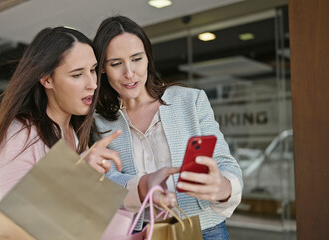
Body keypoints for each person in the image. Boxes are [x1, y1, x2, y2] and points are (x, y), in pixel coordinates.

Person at [0, 26, 177, 235]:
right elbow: (19, 223)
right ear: (47, 79)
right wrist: (77, 176)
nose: (92, 84)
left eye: (93, 70)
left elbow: (83, 219)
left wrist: (144, 190)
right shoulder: (21, 134)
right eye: (77, 75)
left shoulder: (76, 132)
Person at [93, 16, 243, 239]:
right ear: (103, 68)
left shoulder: (190, 101)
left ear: (148, 58)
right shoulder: (99, 120)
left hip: (205, 230)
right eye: (116, 63)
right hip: (139, 232)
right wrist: (143, 186)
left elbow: (224, 162)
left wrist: (222, 187)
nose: (129, 73)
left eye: (137, 59)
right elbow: (106, 182)